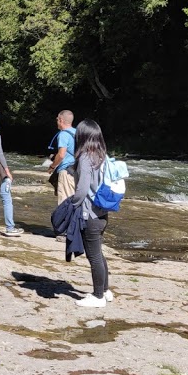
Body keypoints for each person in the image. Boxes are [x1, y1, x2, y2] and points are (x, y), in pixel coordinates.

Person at [69, 119, 114, 308]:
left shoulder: (86, 157)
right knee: (98, 253)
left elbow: (82, 188)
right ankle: (105, 290)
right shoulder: (102, 155)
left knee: (93, 256)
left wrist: (72, 204)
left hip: (90, 214)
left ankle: (98, 297)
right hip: (102, 213)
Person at [47, 110, 77, 238]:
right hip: (77, 171)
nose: (56, 121)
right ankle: (74, 230)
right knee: (75, 201)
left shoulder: (63, 135)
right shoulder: (77, 132)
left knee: (64, 201)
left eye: (57, 119)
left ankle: (64, 232)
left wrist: (53, 166)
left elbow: (62, 154)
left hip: (66, 171)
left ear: (61, 120)